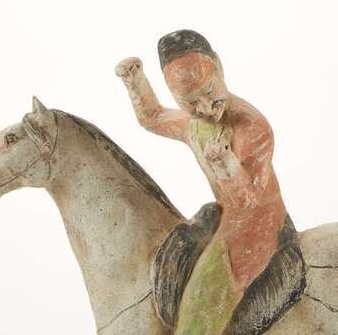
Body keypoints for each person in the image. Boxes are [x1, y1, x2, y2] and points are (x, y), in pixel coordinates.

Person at [115, 30, 305, 335]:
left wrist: (226, 163)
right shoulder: (194, 124)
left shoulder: (253, 127)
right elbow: (154, 117)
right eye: (190, 102)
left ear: (219, 66)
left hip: (258, 225)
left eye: (210, 90)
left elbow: (248, 201)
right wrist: (135, 82)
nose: (205, 108)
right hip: (224, 213)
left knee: (199, 309)